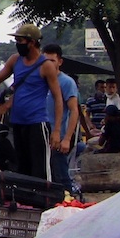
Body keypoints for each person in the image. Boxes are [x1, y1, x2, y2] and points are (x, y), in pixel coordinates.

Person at [0, 23, 65, 182]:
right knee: (22, 169)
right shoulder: (15, 60)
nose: (18, 44)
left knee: (40, 170)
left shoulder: (46, 66)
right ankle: (26, 204)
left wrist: (57, 130)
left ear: (31, 42)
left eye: (20, 41)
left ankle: (43, 202)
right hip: (17, 123)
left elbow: (58, 97)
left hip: (37, 123)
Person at [42, 45, 82, 198]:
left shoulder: (66, 82)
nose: (49, 64)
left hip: (58, 137)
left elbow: (74, 111)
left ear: (60, 61)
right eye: (46, 61)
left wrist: (67, 139)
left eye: (52, 60)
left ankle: (70, 202)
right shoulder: (40, 79)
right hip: (41, 134)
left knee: (61, 176)